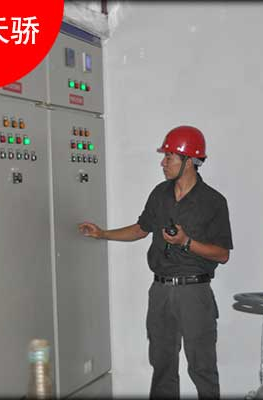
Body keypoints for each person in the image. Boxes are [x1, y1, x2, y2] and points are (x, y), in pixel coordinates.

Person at [79, 125, 233, 399]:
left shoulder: (213, 202)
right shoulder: (160, 194)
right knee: (162, 365)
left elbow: (222, 254)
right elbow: (141, 229)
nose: (163, 163)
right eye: (165, 156)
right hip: (160, 291)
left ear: (189, 161)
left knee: (202, 367)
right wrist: (102, 234)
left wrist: (186, 242)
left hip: (194, 293)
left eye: (169, 157)